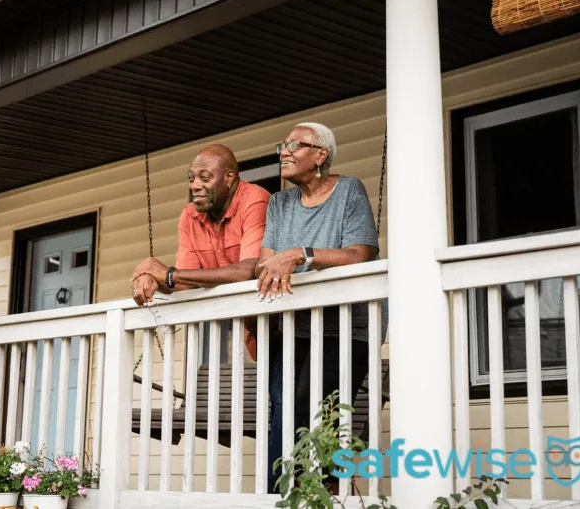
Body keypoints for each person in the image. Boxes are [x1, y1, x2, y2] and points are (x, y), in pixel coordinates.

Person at [256, 122, 388, 492]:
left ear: (321, 154)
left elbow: (359, 254)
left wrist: (301, 255)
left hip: (347, 327)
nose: (284, 151)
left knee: (311, 419)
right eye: (281, 144)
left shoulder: (348, 190)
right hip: (294, 326)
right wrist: (282, 261)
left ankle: (310, 495)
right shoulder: (279, 202)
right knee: (285, 422)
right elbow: (268, 263)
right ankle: (287, 496)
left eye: (295, 145)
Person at [131, 144, 271, 359]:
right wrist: (154, 279)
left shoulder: (254, 198)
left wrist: (168, 274)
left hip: (280, 321)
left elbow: (248, 270)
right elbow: (185, 281)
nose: (194, 186)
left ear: (229, 177)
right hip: (247, 329)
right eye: (192, 178)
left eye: (204, 178)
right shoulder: (189, 216)